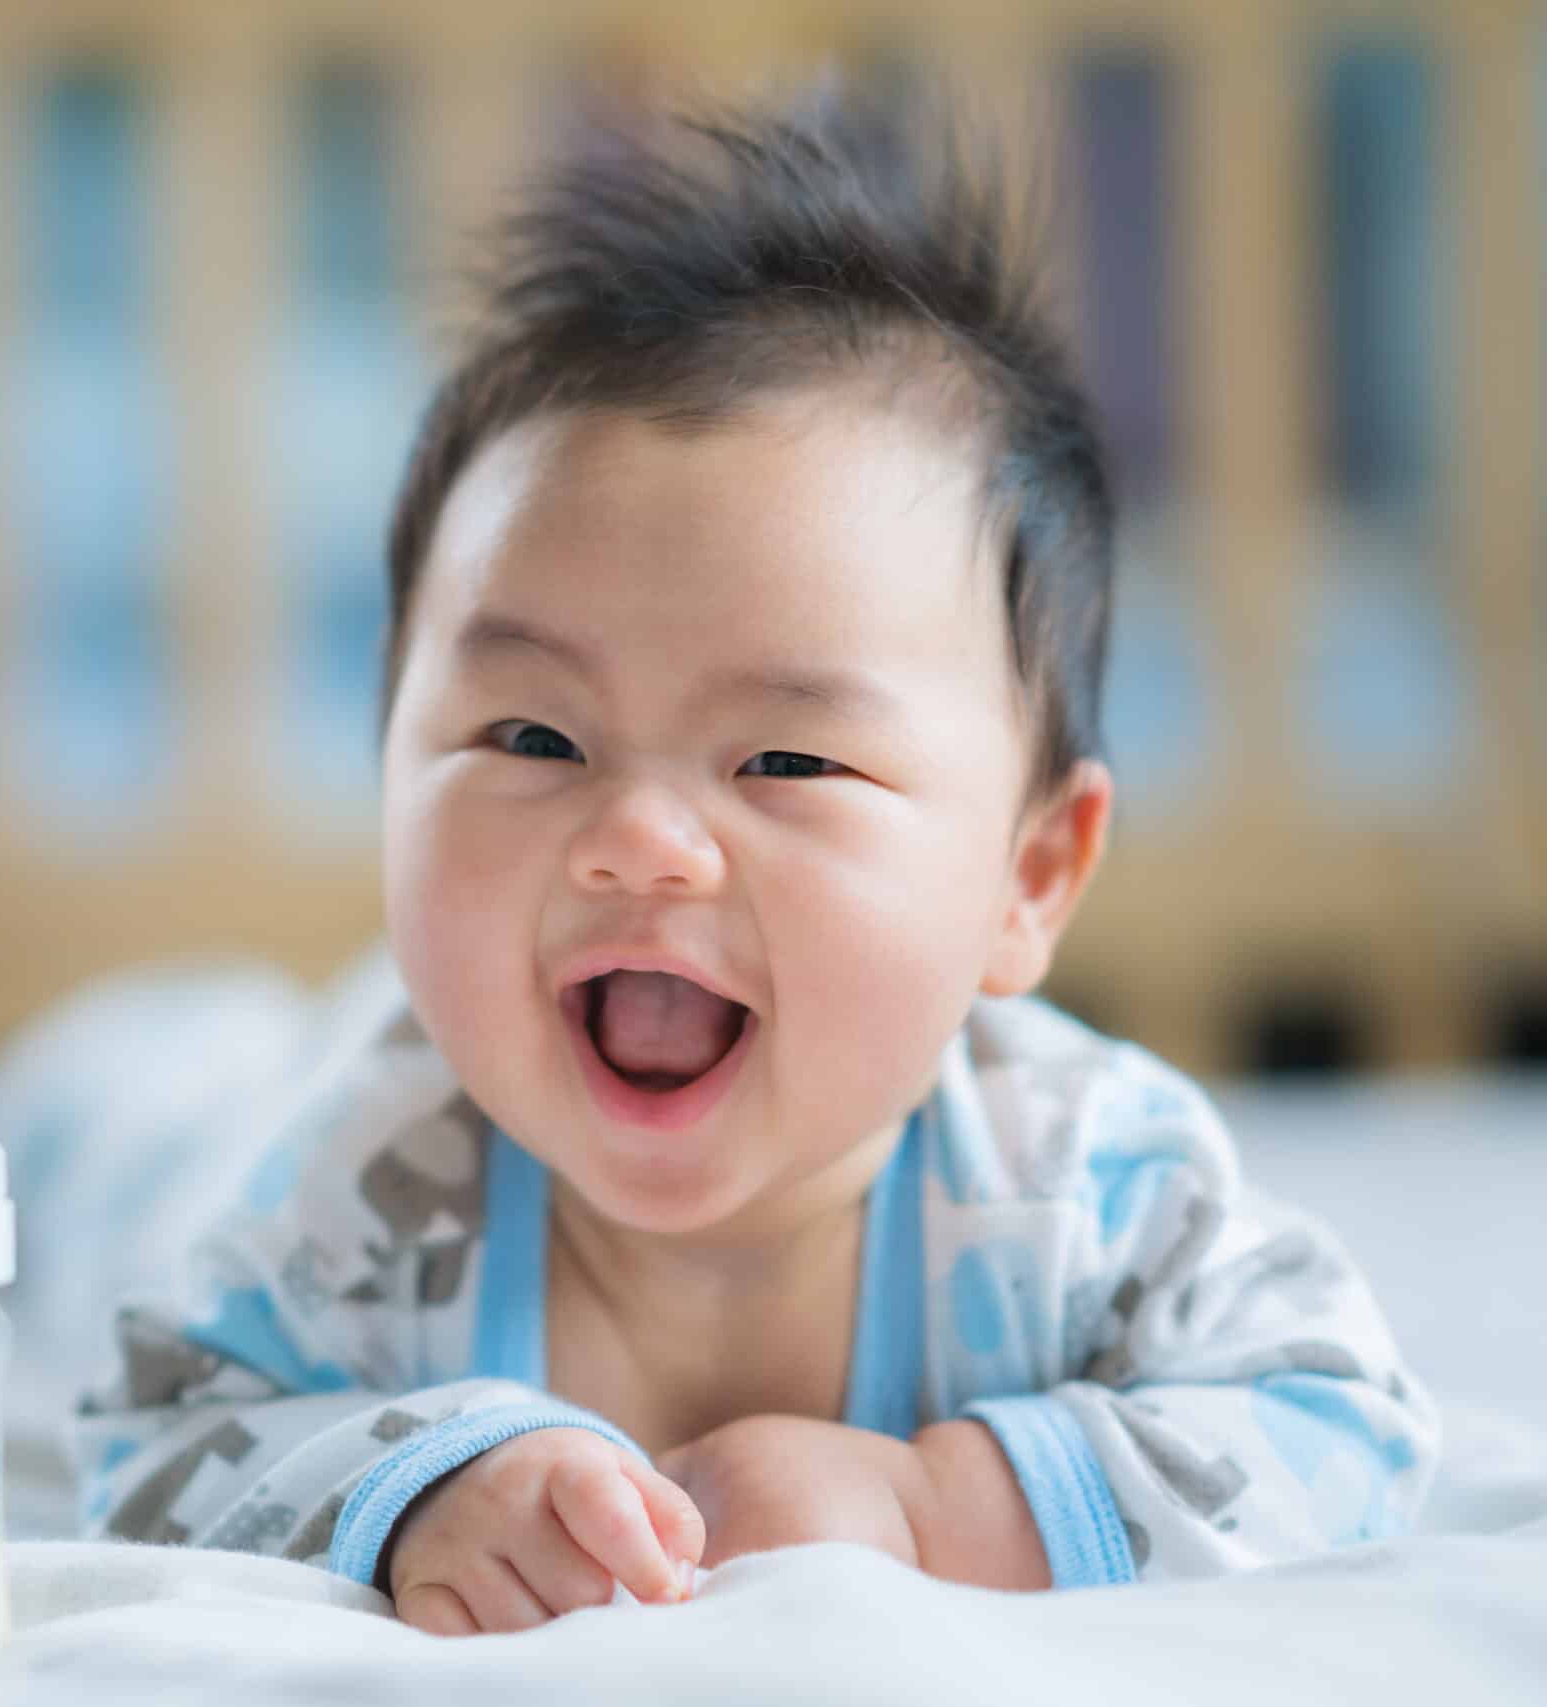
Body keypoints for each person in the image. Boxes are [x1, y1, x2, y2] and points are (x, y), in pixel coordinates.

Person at [73, 83, 1435, 1635]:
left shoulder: (1074, 1191)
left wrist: (938, 1507)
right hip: (192, 1112)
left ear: (1031, 878)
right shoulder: (368, 1189)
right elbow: (143, 1438)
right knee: (125, 1121)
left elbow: (1345, 1420)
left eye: (785, 760)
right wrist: (415, 1488)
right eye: (532, 740)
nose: (639, 842)